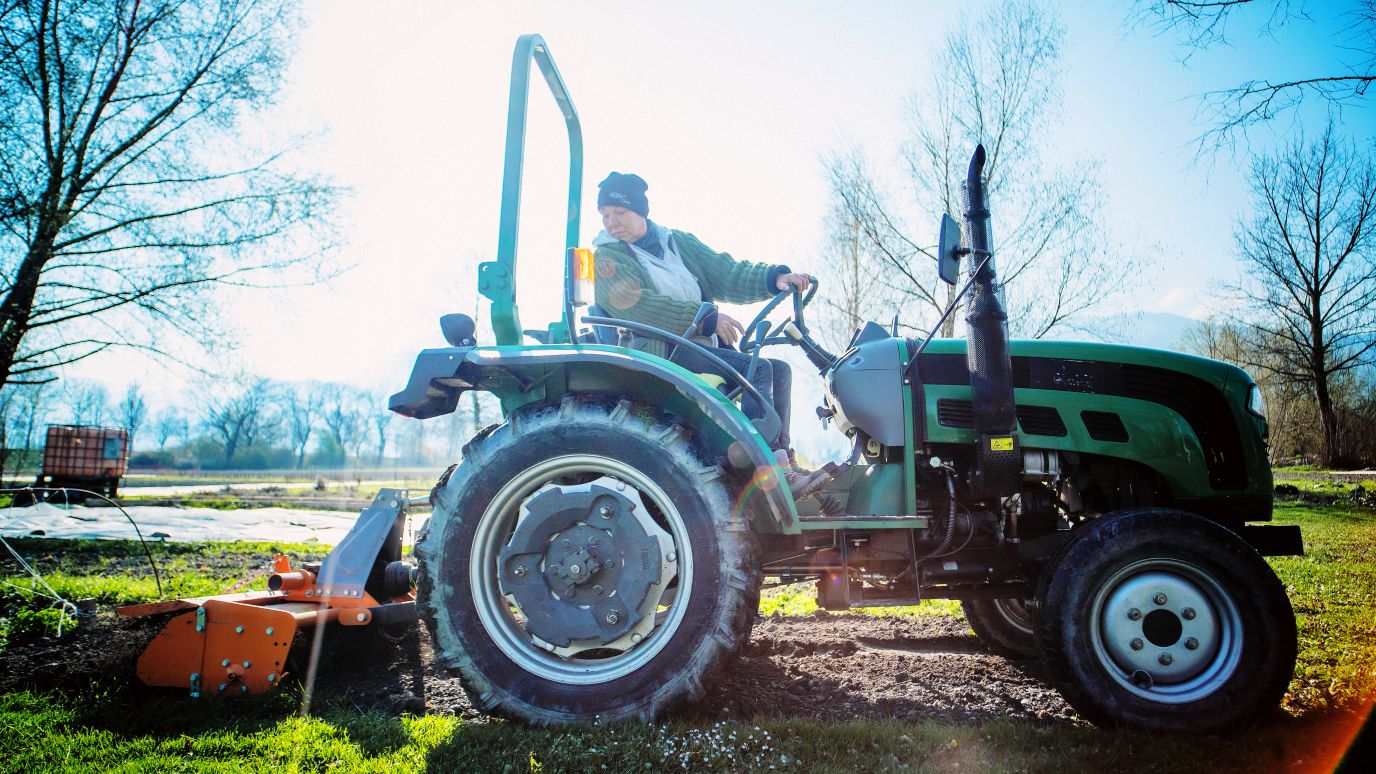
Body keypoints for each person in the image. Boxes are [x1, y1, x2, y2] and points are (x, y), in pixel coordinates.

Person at [591, 171, 809, 463]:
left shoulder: (677, 243)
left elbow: (726, 271)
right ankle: (762, 466)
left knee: (778, 370)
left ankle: (784, 459)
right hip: (657, 352)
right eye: (605, 214)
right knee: (756, 371)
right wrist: (704, 319)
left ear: (641, 211)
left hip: (697, 347)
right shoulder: (607, 257)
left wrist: (773, 278)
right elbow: (636, 306)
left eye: (619, 211)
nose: (611, 222)